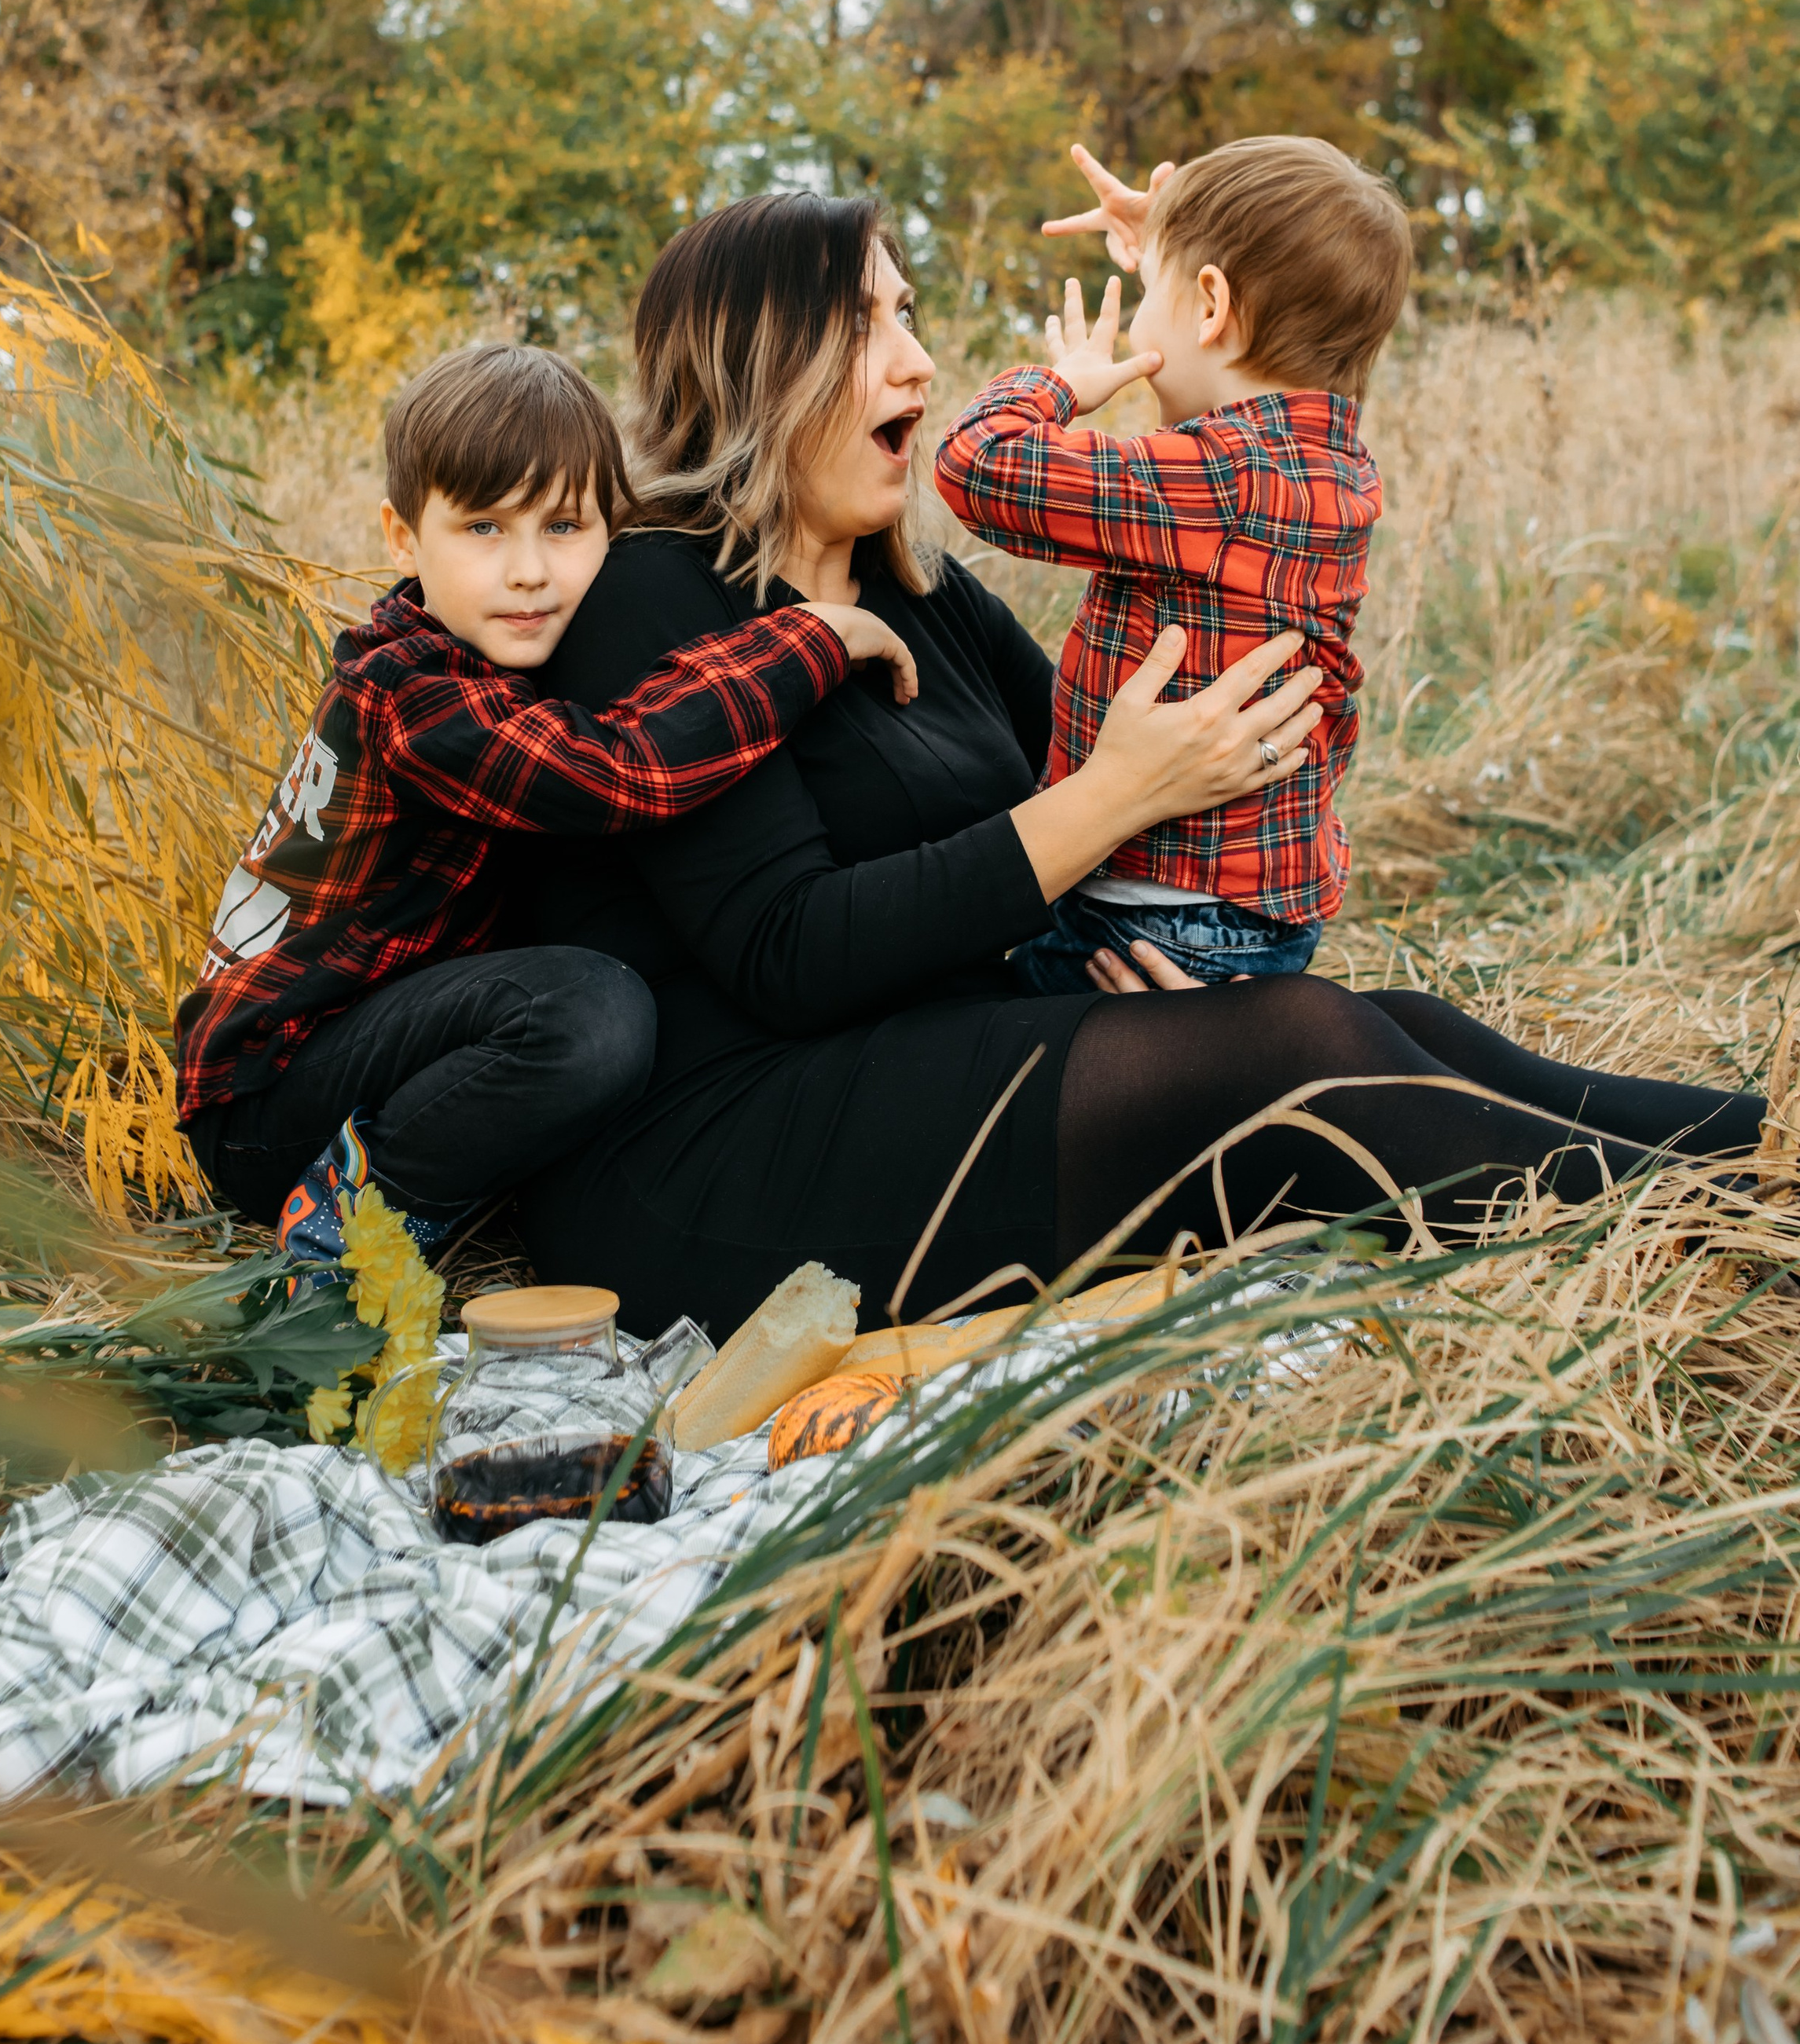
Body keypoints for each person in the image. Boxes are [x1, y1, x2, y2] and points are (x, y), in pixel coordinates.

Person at [518, 191, 1762, 1342]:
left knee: (1382, 1022)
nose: (918, 361)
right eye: (862, 327)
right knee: (1291, 1054)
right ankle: (1723, 1225)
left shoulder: (928, 598)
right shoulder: (651, 597)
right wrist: (1119, 795)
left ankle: (1756, 1159)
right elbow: (791, 953)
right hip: (726, 1162)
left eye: (908, 313)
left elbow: (1100, 810)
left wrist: (1125, 949)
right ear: (753, 365)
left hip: (939, 1058)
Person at [175, 339, 919, 1272]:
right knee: (586, 1012)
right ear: (403, 538)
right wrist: (810, 635)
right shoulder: (416, 698)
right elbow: (627, 770)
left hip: (377, 1054)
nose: (528, 571)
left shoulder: (489, 665)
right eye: (483, 529)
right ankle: (339, 1248)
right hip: (267, 1099)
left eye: (564, 527)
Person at [936, 136, 1413, 991]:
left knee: (984, 1047)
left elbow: (977, 463)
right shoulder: (1329, 466)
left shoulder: (1218, 479)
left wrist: (1065, 383)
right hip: (1251, 905)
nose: (1137, 316)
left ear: (1209, 306)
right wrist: (1171, 239)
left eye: (1150, 286)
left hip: (1157, 917)